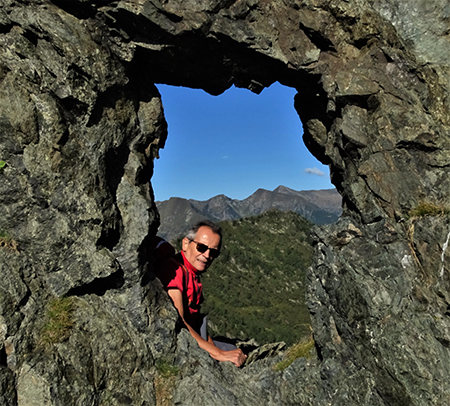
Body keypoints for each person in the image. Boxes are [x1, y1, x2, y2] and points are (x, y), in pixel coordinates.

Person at [155, 220, 247, 367]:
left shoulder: (192, 273)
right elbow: (179, 323)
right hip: (185, 344)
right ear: (186, 244)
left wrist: (216, 349)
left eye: (213, 252)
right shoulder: (174, 271)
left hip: (197, 339)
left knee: (236, 352)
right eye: (202, 247)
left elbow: (196, 323)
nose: (207, 255)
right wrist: (218, 353)